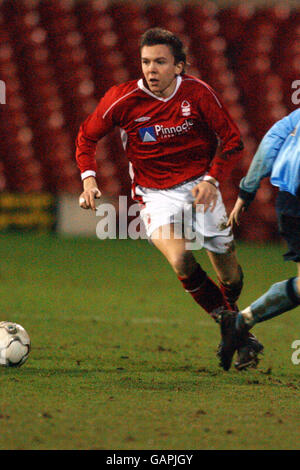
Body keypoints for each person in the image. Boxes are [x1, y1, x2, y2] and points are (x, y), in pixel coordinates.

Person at [75, 27, 263, 368]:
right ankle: (239, 332)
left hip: (199, 187)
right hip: (153, 194)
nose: (151, 70)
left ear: (179, 66)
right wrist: (89, 181)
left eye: (160, 62)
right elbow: (86, 138)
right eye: (146, 62)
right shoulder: (122, 99)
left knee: (231, 275)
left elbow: (233, 140)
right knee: (180, 259)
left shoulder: (198, 94)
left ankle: (234, 325)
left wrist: (211, 180)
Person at [219, 108, 300, 371]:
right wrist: (246, 192)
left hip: (290, 202)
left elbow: (270, 144)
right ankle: (242, 321)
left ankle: (240, 322)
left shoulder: (296, 117)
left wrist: (246, 193)